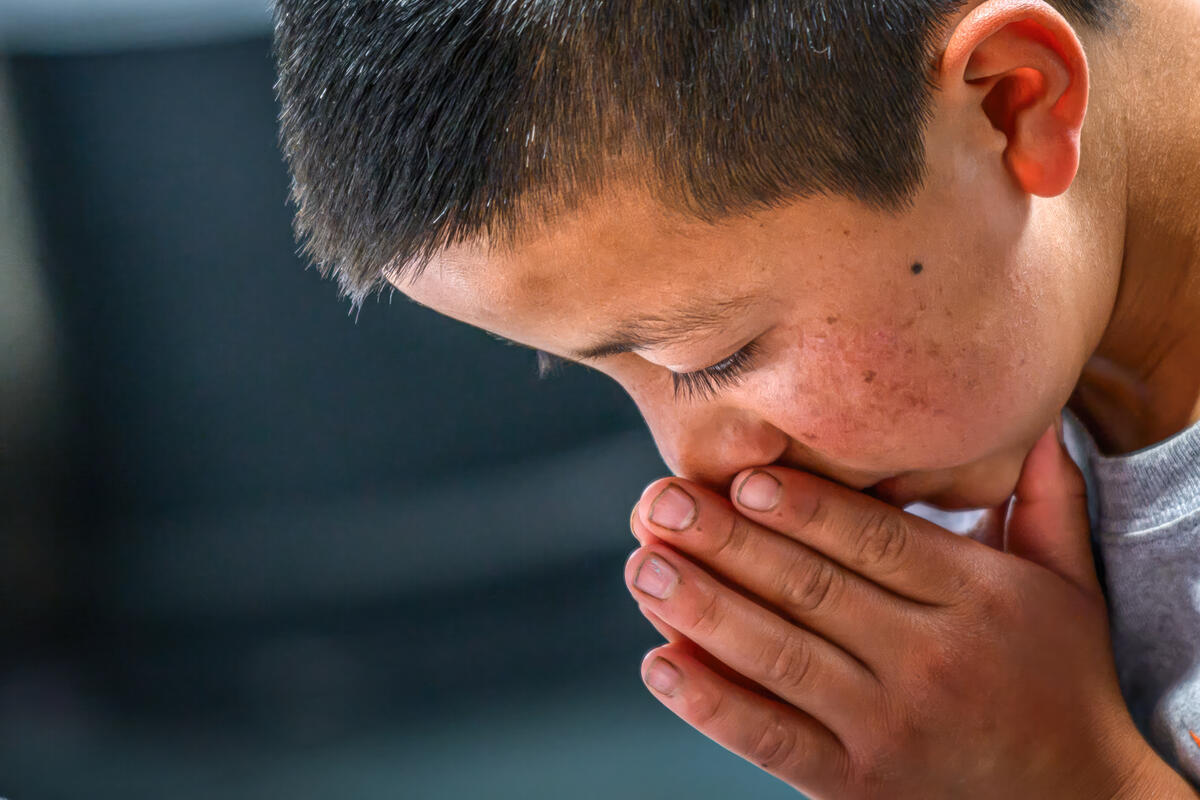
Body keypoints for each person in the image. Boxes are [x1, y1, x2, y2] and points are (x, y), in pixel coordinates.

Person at [271, 0, 1200, 796]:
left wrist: (1079, 780)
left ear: (1013, 103)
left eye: (712, 356)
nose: (696, 465)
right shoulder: (982, 360)